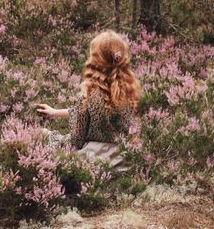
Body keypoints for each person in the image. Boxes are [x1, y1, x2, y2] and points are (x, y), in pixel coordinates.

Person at [35, 29, 142, 172]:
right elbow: (99, 113)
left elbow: (75, 141)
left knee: (42, 135)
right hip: (123, 164)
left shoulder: (89, 94)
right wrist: (55, 112)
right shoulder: (130, 93)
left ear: (95, 61)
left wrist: (50, 136)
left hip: (93, 163)